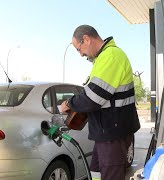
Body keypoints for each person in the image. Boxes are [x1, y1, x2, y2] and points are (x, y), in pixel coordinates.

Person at [60, 25, 140, 180]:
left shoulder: (110, 56)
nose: (81, 54)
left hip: (113, 133)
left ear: (87, 39)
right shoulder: (102, 58)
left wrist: (69, 104)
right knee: (96, 171)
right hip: (107, 132)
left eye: (79, 49)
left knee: (111, 175)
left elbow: (93, 98)